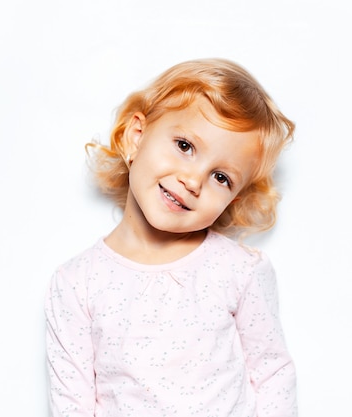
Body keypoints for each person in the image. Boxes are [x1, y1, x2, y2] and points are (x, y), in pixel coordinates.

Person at [45, 58, 297, 417]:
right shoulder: (76, 284)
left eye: (221, 177)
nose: (193, 181)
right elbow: (73, 405)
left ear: (232, 199)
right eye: (184, 146)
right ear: (136, 137)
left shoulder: (241, 271)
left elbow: (273, 373)